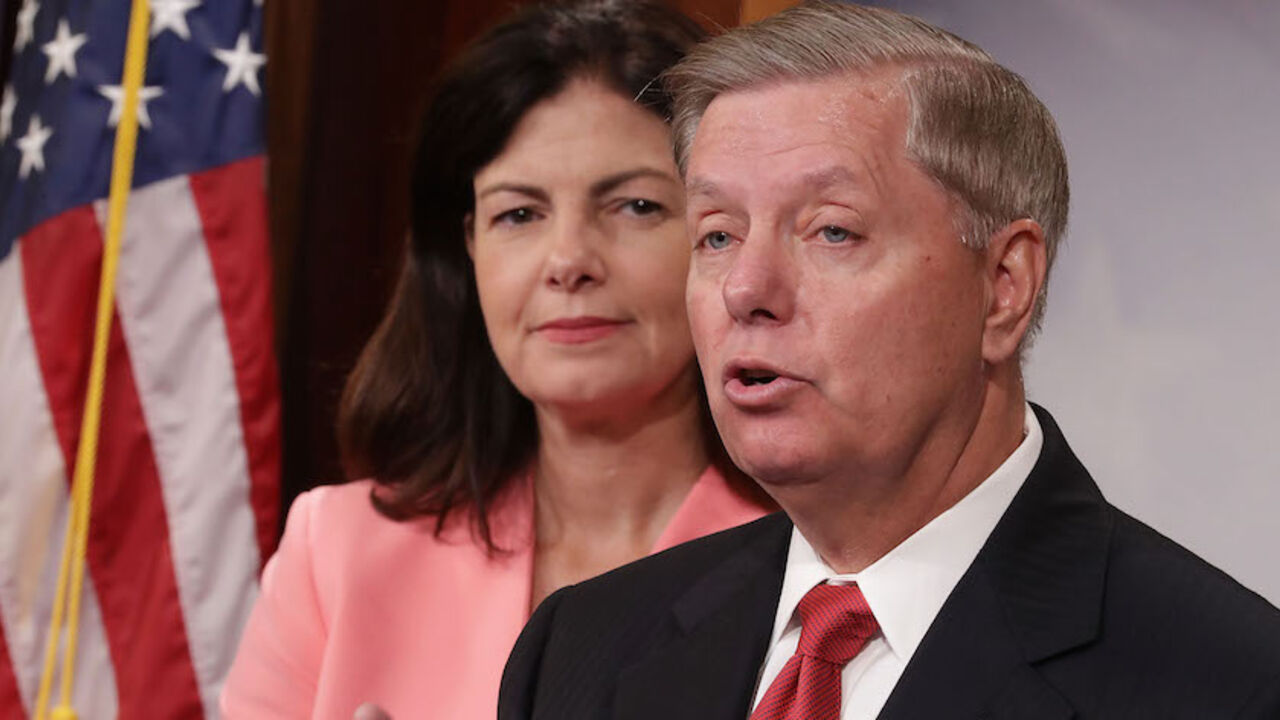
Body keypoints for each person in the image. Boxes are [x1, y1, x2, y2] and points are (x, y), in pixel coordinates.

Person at [498, 2, 1280, 718]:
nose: (746, 289)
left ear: (1003, 287)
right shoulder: (580, 649)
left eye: (831, 231)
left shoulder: (1230, 682)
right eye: (717, 234)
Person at [220, 2, 773, 717]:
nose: (568, 261)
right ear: (469, 249)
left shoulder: (819, 562)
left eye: (635, 206)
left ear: (720, 239)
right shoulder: (336, 552)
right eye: (519, 214)